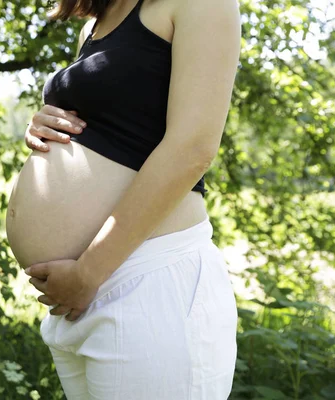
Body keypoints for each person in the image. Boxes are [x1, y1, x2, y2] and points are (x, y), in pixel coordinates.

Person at [19, 0, 242, 398]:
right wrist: (42, 122)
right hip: (81, 294)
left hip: (146, 280)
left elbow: (193, 147)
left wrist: (89, 272)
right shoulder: (95, 22)